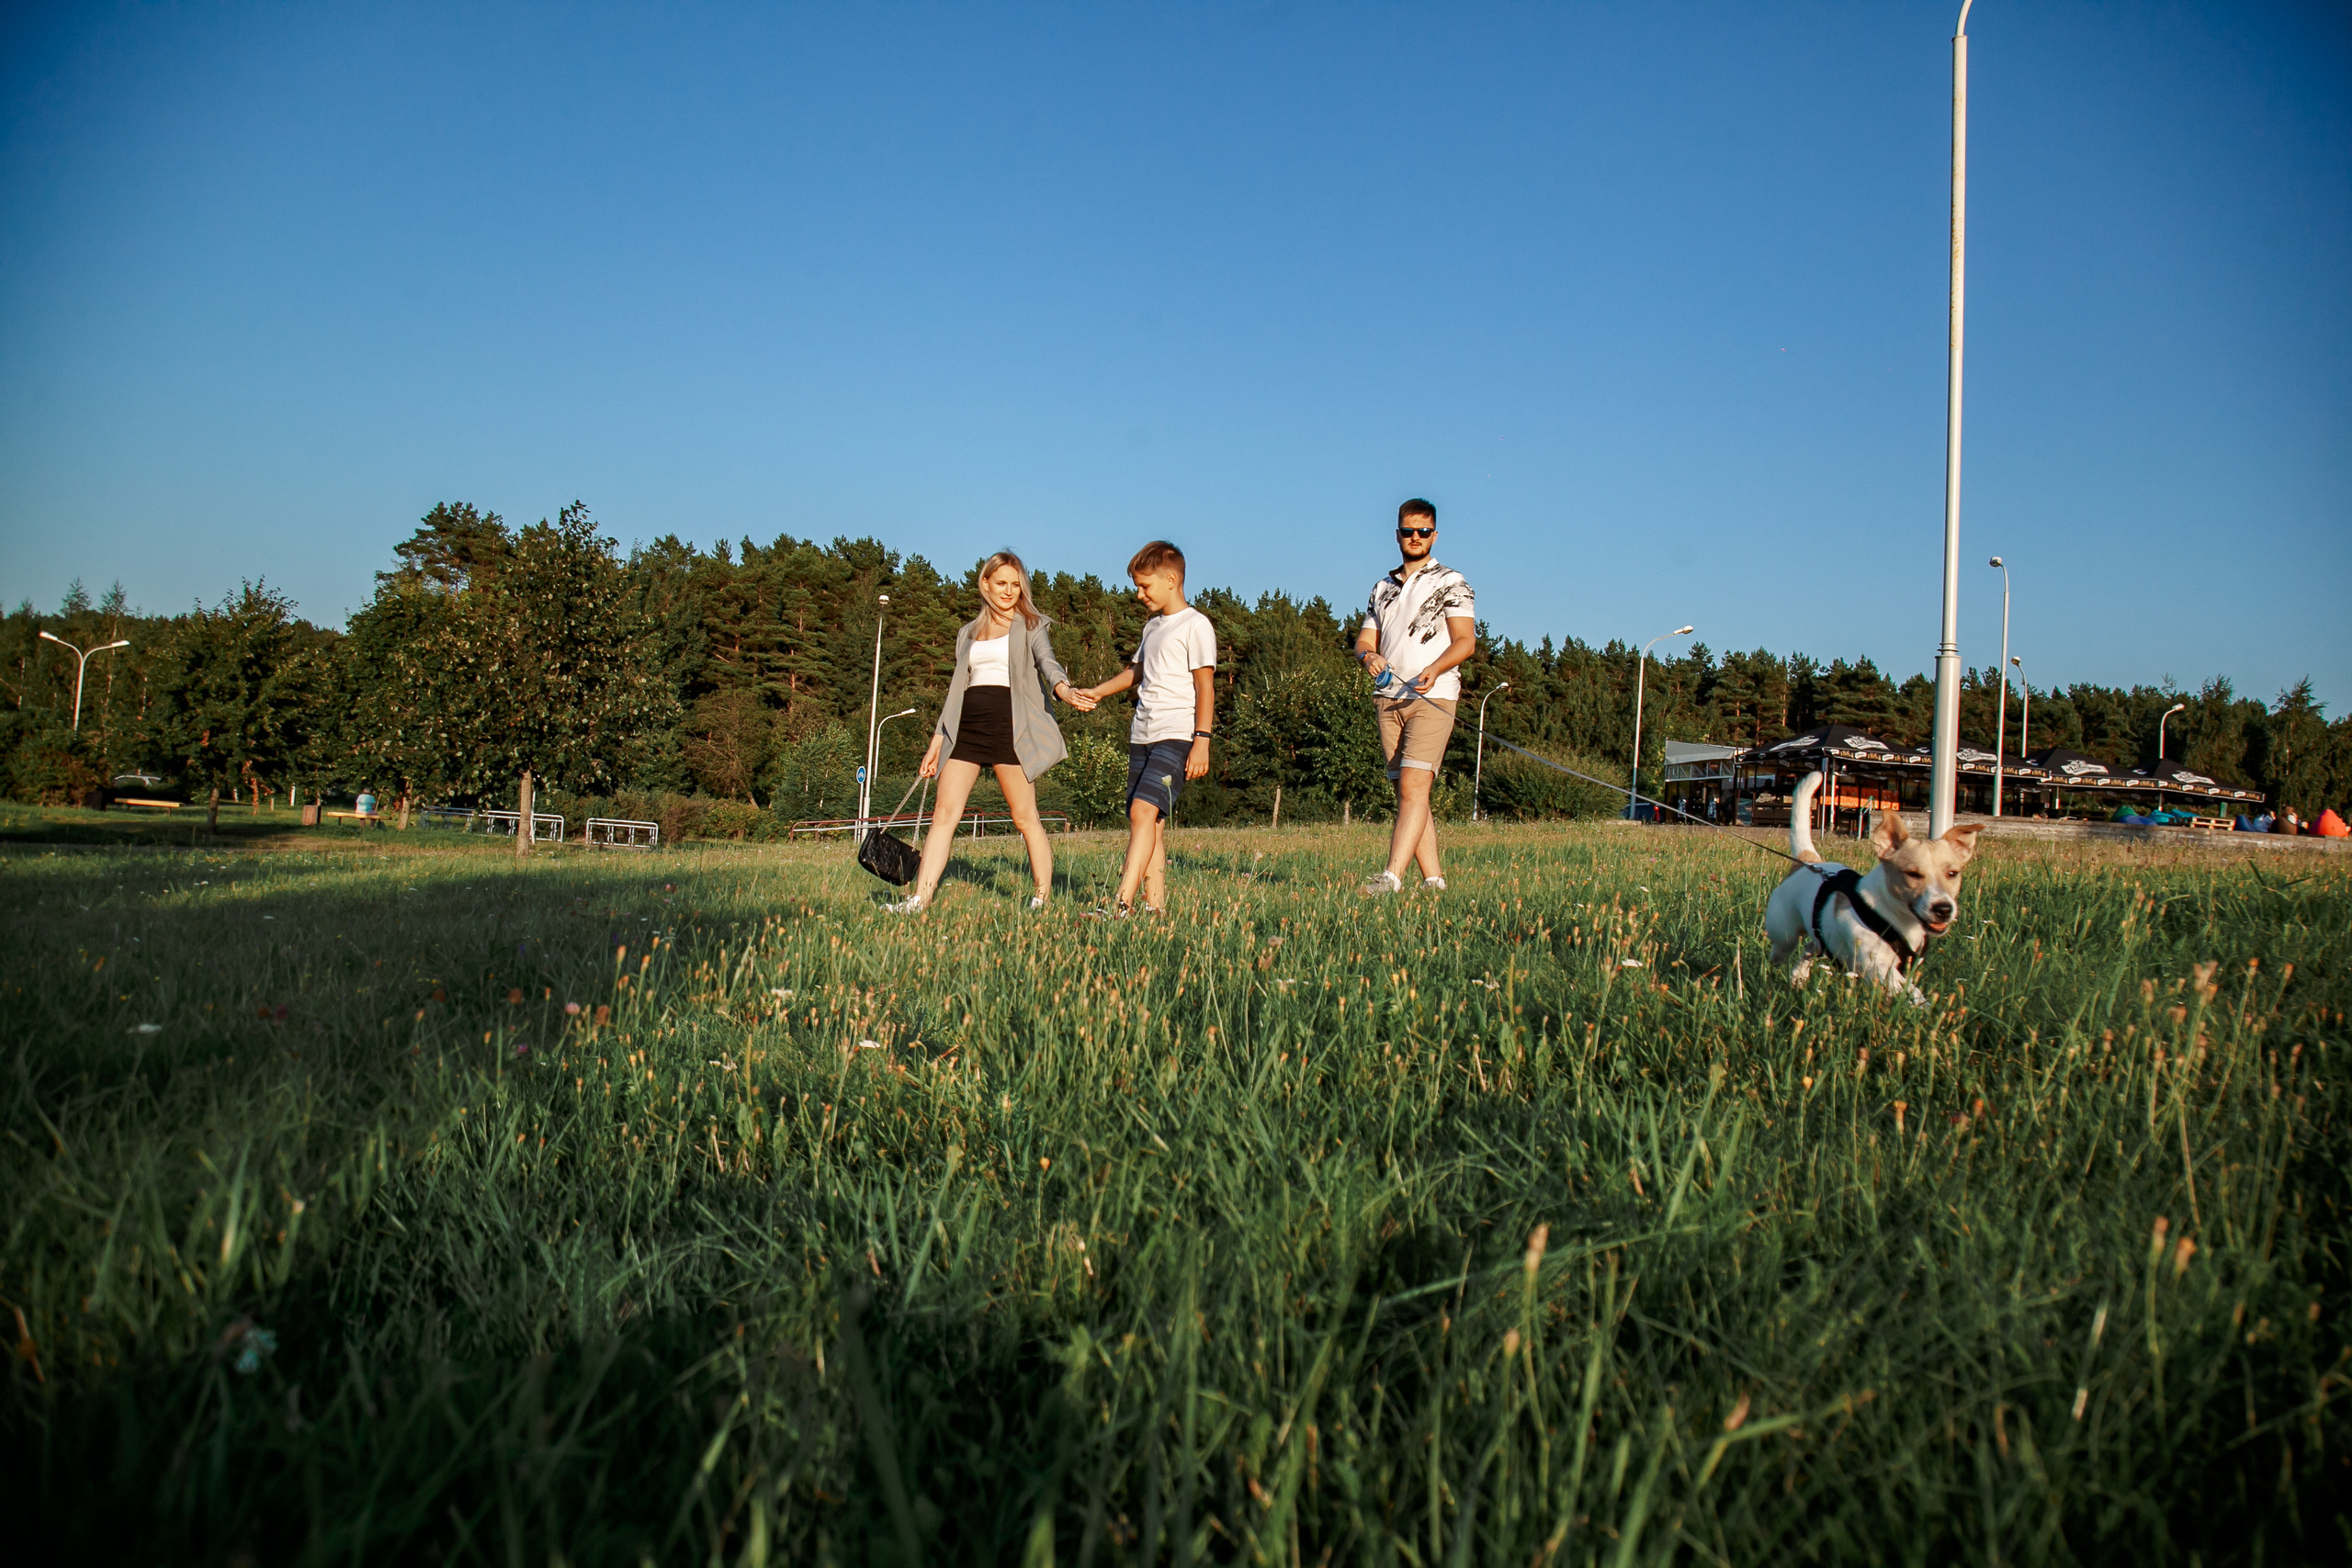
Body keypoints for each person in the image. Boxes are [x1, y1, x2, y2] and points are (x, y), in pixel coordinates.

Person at [888, 552, 1095, 913]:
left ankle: (1042, 898)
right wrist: (937, 741)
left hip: (1010, 728)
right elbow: (955, 691)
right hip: (966, 728)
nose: (1009, 591)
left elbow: (1047, 662)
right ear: (985, 584)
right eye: (1001, 583)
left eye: (1016, 585)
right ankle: (919, 899)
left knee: (1024, 817)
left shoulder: (1031, 624)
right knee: (944, 815)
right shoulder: (967, 633)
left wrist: (1062, 688)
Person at [1074, 540, 1216, 916]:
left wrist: (1202, 741)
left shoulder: (1196, 625)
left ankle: (1121, 904)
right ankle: (1156, 910)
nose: (1139, 595)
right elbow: (1136, 672)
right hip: (1142, 735)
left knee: (1142, 812)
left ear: (1171, 580)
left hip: (1177, 733)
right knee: (1150, 825)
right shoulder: (1153, 627)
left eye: (1145, 586)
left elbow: (1205, 686)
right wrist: (1098, 692)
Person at [1353, 498, 1476, 895]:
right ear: (1398, 535)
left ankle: (1391, 878)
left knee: (1413, 789)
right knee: (1408, 793)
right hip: (1387, 698)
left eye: (1423, 531)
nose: (1415, 538)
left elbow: (1465, 642)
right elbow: (1363, 641)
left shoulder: (1451, 582)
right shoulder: (1382, 588)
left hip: (1432, 697)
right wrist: (1368, 655)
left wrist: (1436, 668)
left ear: (1434, 535)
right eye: (1408, 531)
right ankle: (1435, 881)